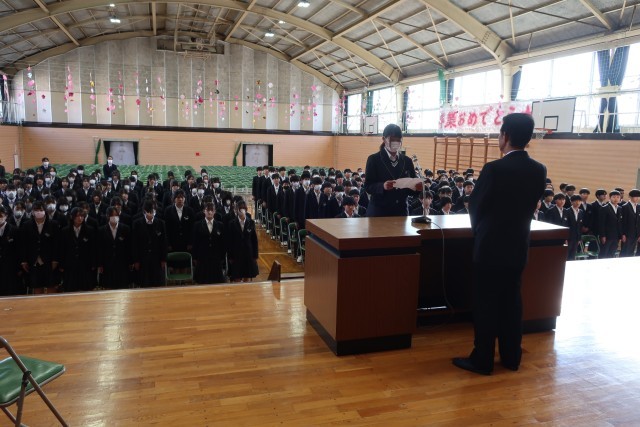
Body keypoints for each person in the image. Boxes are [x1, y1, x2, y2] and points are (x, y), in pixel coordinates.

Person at [453, 113, 547, 375]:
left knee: (486, 304)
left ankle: (482, 360)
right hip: (518, 246)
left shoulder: (494, 169)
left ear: (505, 136)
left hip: (490, 248)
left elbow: (476, 207)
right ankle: (511, 357)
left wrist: (480, 232)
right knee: (512, 302)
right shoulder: (539, 170)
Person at [364, 124, 420, 217]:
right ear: (383, 139)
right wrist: (382, 186)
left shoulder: (407, 161)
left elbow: (410, 189)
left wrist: (417, 188)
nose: (395, 143)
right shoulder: (374, 159)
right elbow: (368, 186)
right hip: (379, 212)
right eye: (392, 139)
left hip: (401, 212)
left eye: (398, 140)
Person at [58, 207, 97, 292]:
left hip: (85, 265)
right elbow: (62, 249)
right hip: (70, 265)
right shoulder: (65, 231)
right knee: (70, 289)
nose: (80, 218)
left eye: (82, 216)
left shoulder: (90, 230)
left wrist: (93, 263)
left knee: (85, 289)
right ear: (72, 217)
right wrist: (61, 264)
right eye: (77, 216)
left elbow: (93, 248)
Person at [191, 202, 226, 284]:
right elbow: (195, 242)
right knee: (202, 281)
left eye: (212, 210)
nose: (210, 212)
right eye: (208, 210)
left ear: (214, 211)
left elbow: (223, 243)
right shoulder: (197, 225)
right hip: (202, 258)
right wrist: (195, 257)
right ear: (204, 211)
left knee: (216, 282)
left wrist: (222, 257)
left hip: (216, 258)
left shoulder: (220, 225)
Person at [98, 206, 132, 289]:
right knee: (108, 286)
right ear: (107, 216)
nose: (114, 217)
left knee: (122, 286)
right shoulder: (101, 230)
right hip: (107, 263)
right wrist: (100, 264)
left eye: (116, 215)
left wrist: (130, 262)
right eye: (112, 215)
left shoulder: (126, 229)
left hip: (122, 263)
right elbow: (99, 249)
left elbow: (129, 247)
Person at [227, 201, 259, 282]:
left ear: (246, 210)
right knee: (236, 276)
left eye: (243, 209)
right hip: (236, 254)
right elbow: (229, 241)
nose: (241, 211)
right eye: (240, 209)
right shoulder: (231, 223)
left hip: (248, 254)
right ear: (236, 210)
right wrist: (230, 256)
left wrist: (255, 255)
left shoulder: (251, 222)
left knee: (247, 276)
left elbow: (254, 240)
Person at [620, 189, 640, 256]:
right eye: (635, 196)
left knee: (631, 252)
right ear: (630, 197)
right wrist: (623, 234)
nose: (637, 198)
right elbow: (623, 222)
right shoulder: (625, 206)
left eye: (638, 196)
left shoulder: (638, 206)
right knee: (625, 251)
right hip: (627, 234)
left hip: (636, 234)